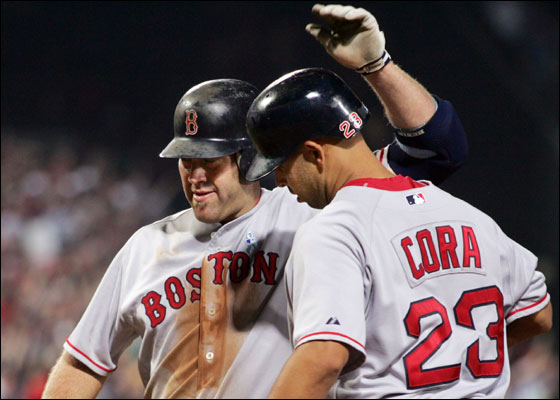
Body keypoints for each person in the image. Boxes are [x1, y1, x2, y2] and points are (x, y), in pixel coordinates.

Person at [41, 4, 468, 399]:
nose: (196, 175)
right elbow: (82, 361)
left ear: (249, 157)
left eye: (211, 160)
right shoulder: (145, 248)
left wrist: (377, 67)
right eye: (186, 161)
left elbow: (437, 148)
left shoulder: (312, 215)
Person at [245, 68, 553, 398]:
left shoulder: (333, 230)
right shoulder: (471, 218)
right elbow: (538, 315)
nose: (278, 180)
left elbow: (323, 358)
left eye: (280, 165)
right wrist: (459, 354)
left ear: (313, 153)